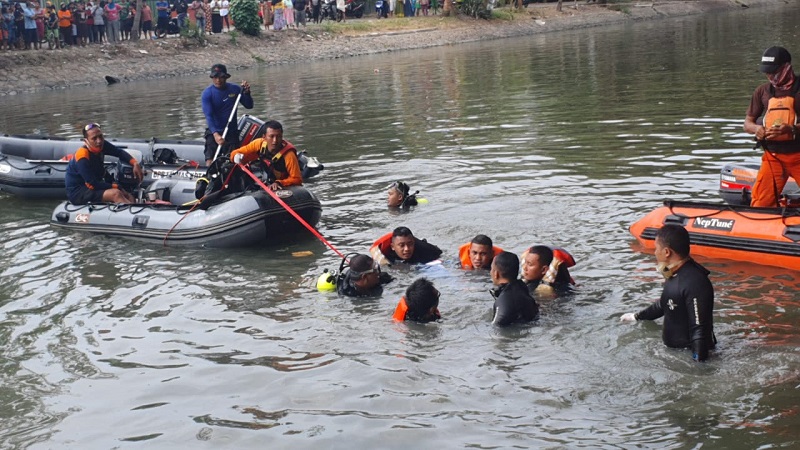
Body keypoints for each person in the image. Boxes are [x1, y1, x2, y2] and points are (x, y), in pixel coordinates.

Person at [620, 224, 716, 362]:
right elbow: (665, 304)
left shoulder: (695, 282)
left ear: (666, 252)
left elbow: (699, 330)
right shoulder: (674, 273)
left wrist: (698, 368)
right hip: (672, 354)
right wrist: (636, 317)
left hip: (687, 357)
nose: (654, 253)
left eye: (656, 248)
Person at [745, 46, 800, 208]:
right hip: (773, 157)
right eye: (767, 72)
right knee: (760, 205)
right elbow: (748, 123)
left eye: (774, 71)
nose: (770, 75)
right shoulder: (762, 91)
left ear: (786, 67)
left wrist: (791, 129)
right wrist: (757, 129)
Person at [65, 122, 143, 204]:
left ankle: (134, 207)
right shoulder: (82, 157)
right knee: (116, 194)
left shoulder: (102, 144)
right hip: (79, 191)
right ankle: (130, 213)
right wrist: (115, 187)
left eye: (100, 136)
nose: (99, 141)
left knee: (128, 194)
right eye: (94, 138)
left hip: (94, 185)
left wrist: (135, 163)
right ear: (86, 141)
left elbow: (119, 152)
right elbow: (92, 184)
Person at [201, 63, 253, 166]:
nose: (218, 80)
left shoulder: (235, 89)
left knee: (234, 160)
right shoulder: (207, 93)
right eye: (215, 77)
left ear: (226, 77)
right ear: (212, 78)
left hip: (231, 132)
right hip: (215, 132)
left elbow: (249, 105)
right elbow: (209, 116)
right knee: (210, 158)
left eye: (221, 77)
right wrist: (216, 135)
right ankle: (209, 173)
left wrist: (247, 93)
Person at [228, 119, 302, 190]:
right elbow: (235, 152)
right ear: (264, 137)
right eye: (271, 136)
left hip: (283, 185)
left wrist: (279, 183)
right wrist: (235, 157)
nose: (275, 141)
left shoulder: (289, 155)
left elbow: (297, 179)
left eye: (278, 136)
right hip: (268, 179)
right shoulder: (258, 144)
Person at [490, 251, 539, 326]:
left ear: (496, 274)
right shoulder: (522, 288)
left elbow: (495, 328)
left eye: (491, 269)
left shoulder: (504, 300)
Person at [369, 226, 442, 265]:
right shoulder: (382, 252)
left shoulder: (425, 250)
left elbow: (440, 254)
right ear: (392, 247)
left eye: (410, 244)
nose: (407, 249)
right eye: (402, 245)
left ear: (414, 243)